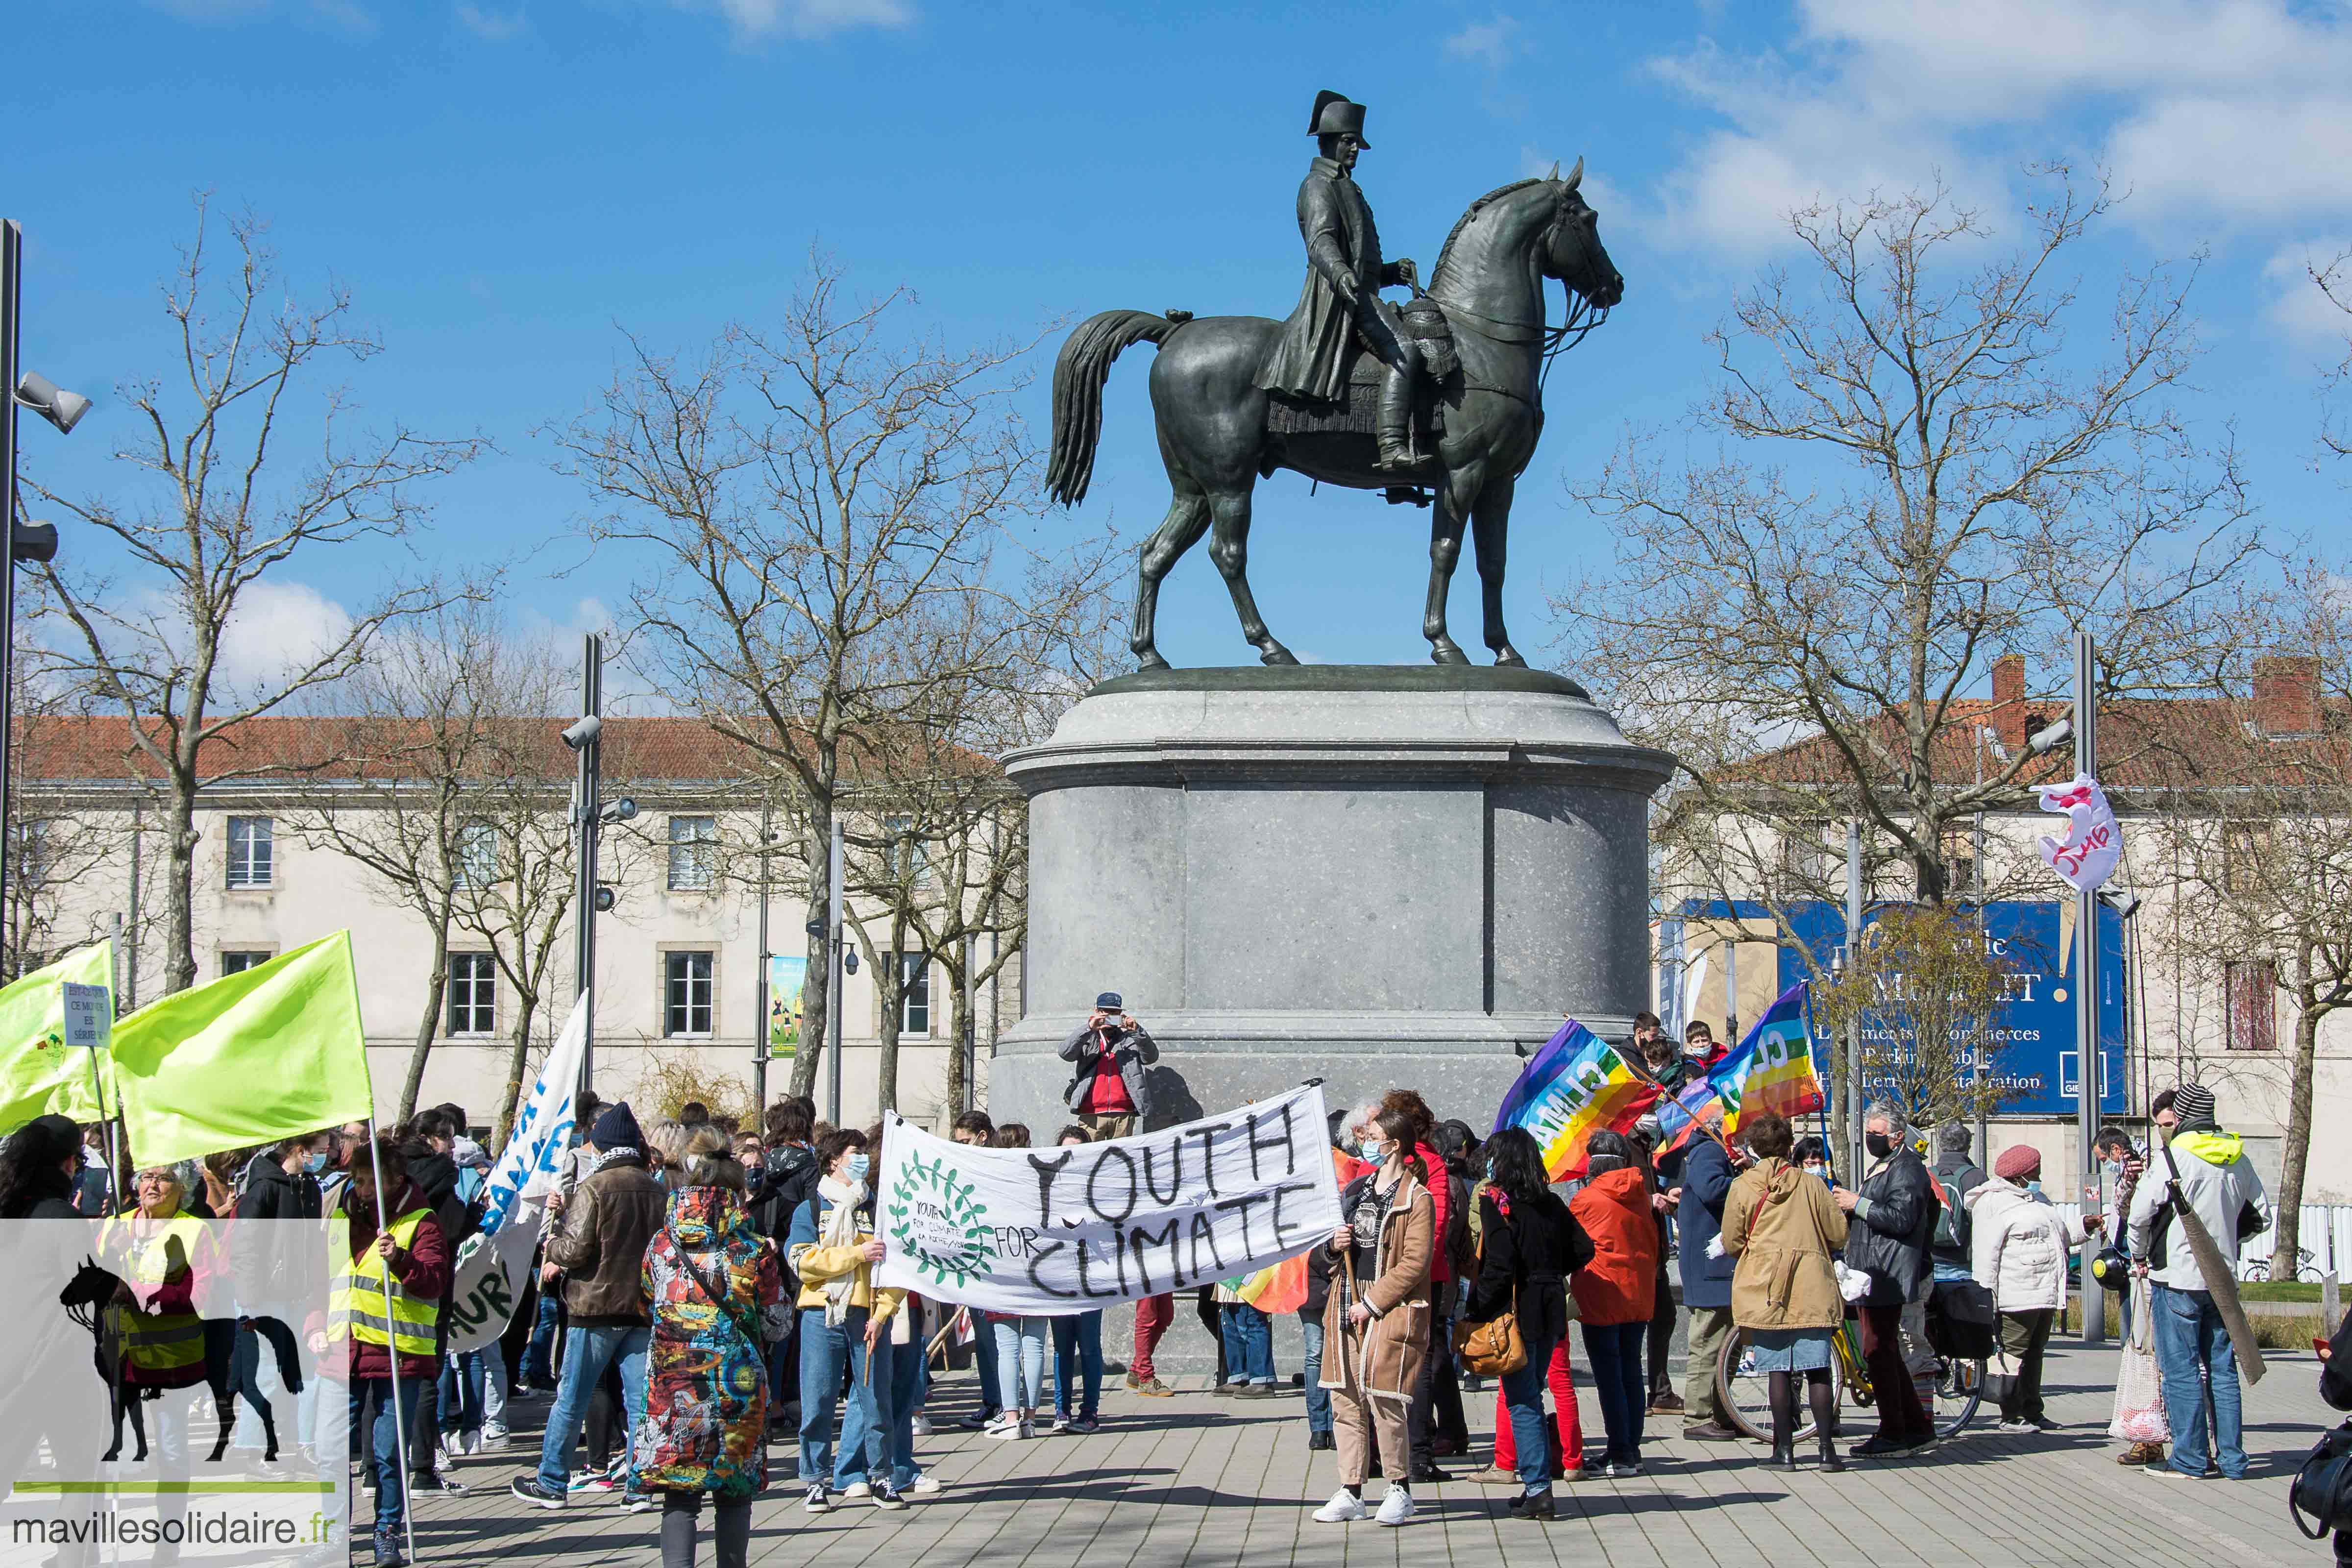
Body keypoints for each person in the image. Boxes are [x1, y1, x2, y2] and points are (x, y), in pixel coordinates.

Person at [1255, 90, 1426, 471]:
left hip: (1358, 289)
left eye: (1357, 144)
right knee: (1406, 351)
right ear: (1330, 141)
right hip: (1340, 298)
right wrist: (1342, 273)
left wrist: (1388, 271)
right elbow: (1321, 242)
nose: (1355, 150)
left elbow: (1359, 256)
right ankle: (1392, 448)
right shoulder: (1318, 186)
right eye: (1349, 142)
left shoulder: (1349, 186)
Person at [637, 1125, 782, 1568]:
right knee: (733, 1494)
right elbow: (777, 1324)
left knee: (680, 1497)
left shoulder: (662, 1245)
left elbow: (648, 1302)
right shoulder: (753, 1249)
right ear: (737, 1189)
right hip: (737, 1390)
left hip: (673, 1388)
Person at [510, 1101, 664, 1512]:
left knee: (572, 1398)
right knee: (640, 1403)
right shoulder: (658, 1189)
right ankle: (640, 1486)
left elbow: (575, 1250)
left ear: (602, 1146)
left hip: (595, 1308)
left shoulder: (594, 1187)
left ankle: (551, 1481)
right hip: (642, 1308)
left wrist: (552, 1243)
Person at [2127, 1081, 2270, 1482]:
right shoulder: (2238, 1157)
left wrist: (2139, 1255)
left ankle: (2189, 1460)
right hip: (2221, 1280)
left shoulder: (2175, 1158)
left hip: (2176, 1277)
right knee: (2223, 1371)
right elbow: (2262, 1217)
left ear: (2185, 1116)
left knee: (2182, 1371)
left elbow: (2139, 1215)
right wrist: (2226, 1239)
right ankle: (2234, 1460)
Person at [1312, 1108, 1434, 1527]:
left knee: (1385, 1398)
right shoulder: (1355, 1190)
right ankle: (1351, 1489)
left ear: (1394, 1144)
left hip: (1387, 1306)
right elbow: (1321, 1254)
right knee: (1344, 1398)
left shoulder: (1418, 1197)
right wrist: (1333, 1246)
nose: (1366, 1141)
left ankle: (1399, 1487)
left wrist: (1373, 1303)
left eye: (1374, 1135)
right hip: (1346, 1297)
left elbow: (1415, 1262)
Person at [1468, 1126, 1593, 1520]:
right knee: (1533, 1392)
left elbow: (1500, 1261)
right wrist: (1549, 1272)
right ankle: (1534, 1485)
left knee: (1523, 1400)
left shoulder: (1497, 1204)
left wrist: (1476, 1310)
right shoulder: (1551, 1202)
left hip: (1516, 1310)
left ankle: (1539, 1489)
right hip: (1550, 1305)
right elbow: (1583, 1249)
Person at [337, 1137, 450, 1567]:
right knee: (332, 1455)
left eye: (372, 1180)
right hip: (343, 1350)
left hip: (397, 1355)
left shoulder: (422, 1222)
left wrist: (401, 1259)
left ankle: (387, 1533)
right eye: (358, 1180)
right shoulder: (342, 1218)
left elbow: (434, 1282)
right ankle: (332, 1536)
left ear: (396, 1179)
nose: (363, 1189)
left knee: (386, 1453)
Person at [787, 1126, 908, 1511]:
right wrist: (856, 1255)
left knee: (876, 1401)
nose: (863, 1159)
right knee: (819, 1400)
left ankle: (881, 1477)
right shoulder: (810, 1208)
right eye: (855, 1152)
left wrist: (884, 1314)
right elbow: (804, 1264)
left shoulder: (880, 1208)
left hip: (868, 1317)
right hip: (821, 1314)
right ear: (833, 1160)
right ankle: (815, 1480)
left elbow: (898, 1268)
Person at [1721, 1110, 1849, 1471]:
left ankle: (1784, 1452)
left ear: (1755, 1148)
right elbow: (1839, 1234)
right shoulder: (1812, 1184)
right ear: (1788, 1146)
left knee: (1778, 1369)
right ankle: (1827, 1452)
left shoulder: (1744, 1185)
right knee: (1818, 1368)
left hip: (1765, 1287)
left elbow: (1732, 1241)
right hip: (1812, 1282)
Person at [1966, 1144, 2098, 1433]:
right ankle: (2010, 1415)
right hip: (2015, 1295)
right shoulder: (1993, 1203)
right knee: (2014, 1354)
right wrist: (1987, 1297)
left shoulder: (2037, 1199)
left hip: (2044, 1292)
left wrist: (2084, 1226)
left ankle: (2033, 1411)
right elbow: (1987, 1253)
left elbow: (2059, 1235)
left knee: (2035, 1352)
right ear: (2020, 1174)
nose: (2039, 1176)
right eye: (2034, 1172)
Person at [1833, 1101, 1937, 1457]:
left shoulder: (1907, 1167)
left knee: (1877, 1350)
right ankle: (1916, 1427)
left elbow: (1900, 1218)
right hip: (1874, 1269)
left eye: (1877, 1134)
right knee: (1885, 1352)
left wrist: (1856, 1203)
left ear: (1896, 1137)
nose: (1870, 1139)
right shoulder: (1887, 1165)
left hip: (1888, 1272)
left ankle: (1894, 1432)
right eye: (1868, 1133)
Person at [1378, 1089, 1458, 1481]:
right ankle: (1417, 1455)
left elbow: (1436, 1224)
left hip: (1393, 1280)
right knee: (1418, 1363)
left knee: (1392, 1363)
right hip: (1423, 1276)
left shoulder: (1422, 1165)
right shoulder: (1432, 1164)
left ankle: (1388, 1454)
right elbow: (1439, 1225)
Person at [1569, 1129, 1657, 1476]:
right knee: (1631, 1372)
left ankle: (1620, 1452)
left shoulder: (1587, 1200)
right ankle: (1630, 1449)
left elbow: (1572, 1243)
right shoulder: (1641, 1195)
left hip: (1602, 1292)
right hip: (1638, 1292)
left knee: (1609, 1377)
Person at [1669, 1107, 1743, 1440]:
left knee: (1726, 1344)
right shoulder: (1708, 1150)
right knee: (1708, 1343)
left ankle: (1721, 1412)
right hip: (1710, 1267)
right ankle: (1698, 1417)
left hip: (1718, 1267)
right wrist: (1745, 1182)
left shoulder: (1711, 1151)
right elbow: (1714, 1190)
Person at [987, 1124, 1051, 1435]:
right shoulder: (1038, 1177)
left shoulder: (993, 1180)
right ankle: (1030, 1418)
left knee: (1008, 1348)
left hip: (1003, 1271)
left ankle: (1010, 1418)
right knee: (1035, 1347)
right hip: (1038, 1271)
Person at [1049, 1127, 1106, 1434]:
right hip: (1058, 1277)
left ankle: (1090, 1412)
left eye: (1077, 1151)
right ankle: (1061, 1410)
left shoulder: (1097, 1187)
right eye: (1065, 1151)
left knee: (1089, 1347)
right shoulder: (1050, 1188)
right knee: (1061, 1347)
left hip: (1092, 1279)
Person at [1058, 993, 1157, 1140]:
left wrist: (1138, 1032)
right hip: (1091, 1113)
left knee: (1120, 1161)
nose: (1110, 1016)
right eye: (1106, 1012)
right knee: (1091, 1158)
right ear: (1097, 1011)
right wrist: (1089, 1028)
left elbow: (1151, 1058)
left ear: (1121, 1014)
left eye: (1115, 1013)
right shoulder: (1087, 1037)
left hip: (1123, 1113)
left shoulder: (1129, 1038)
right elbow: (1065, 1053)